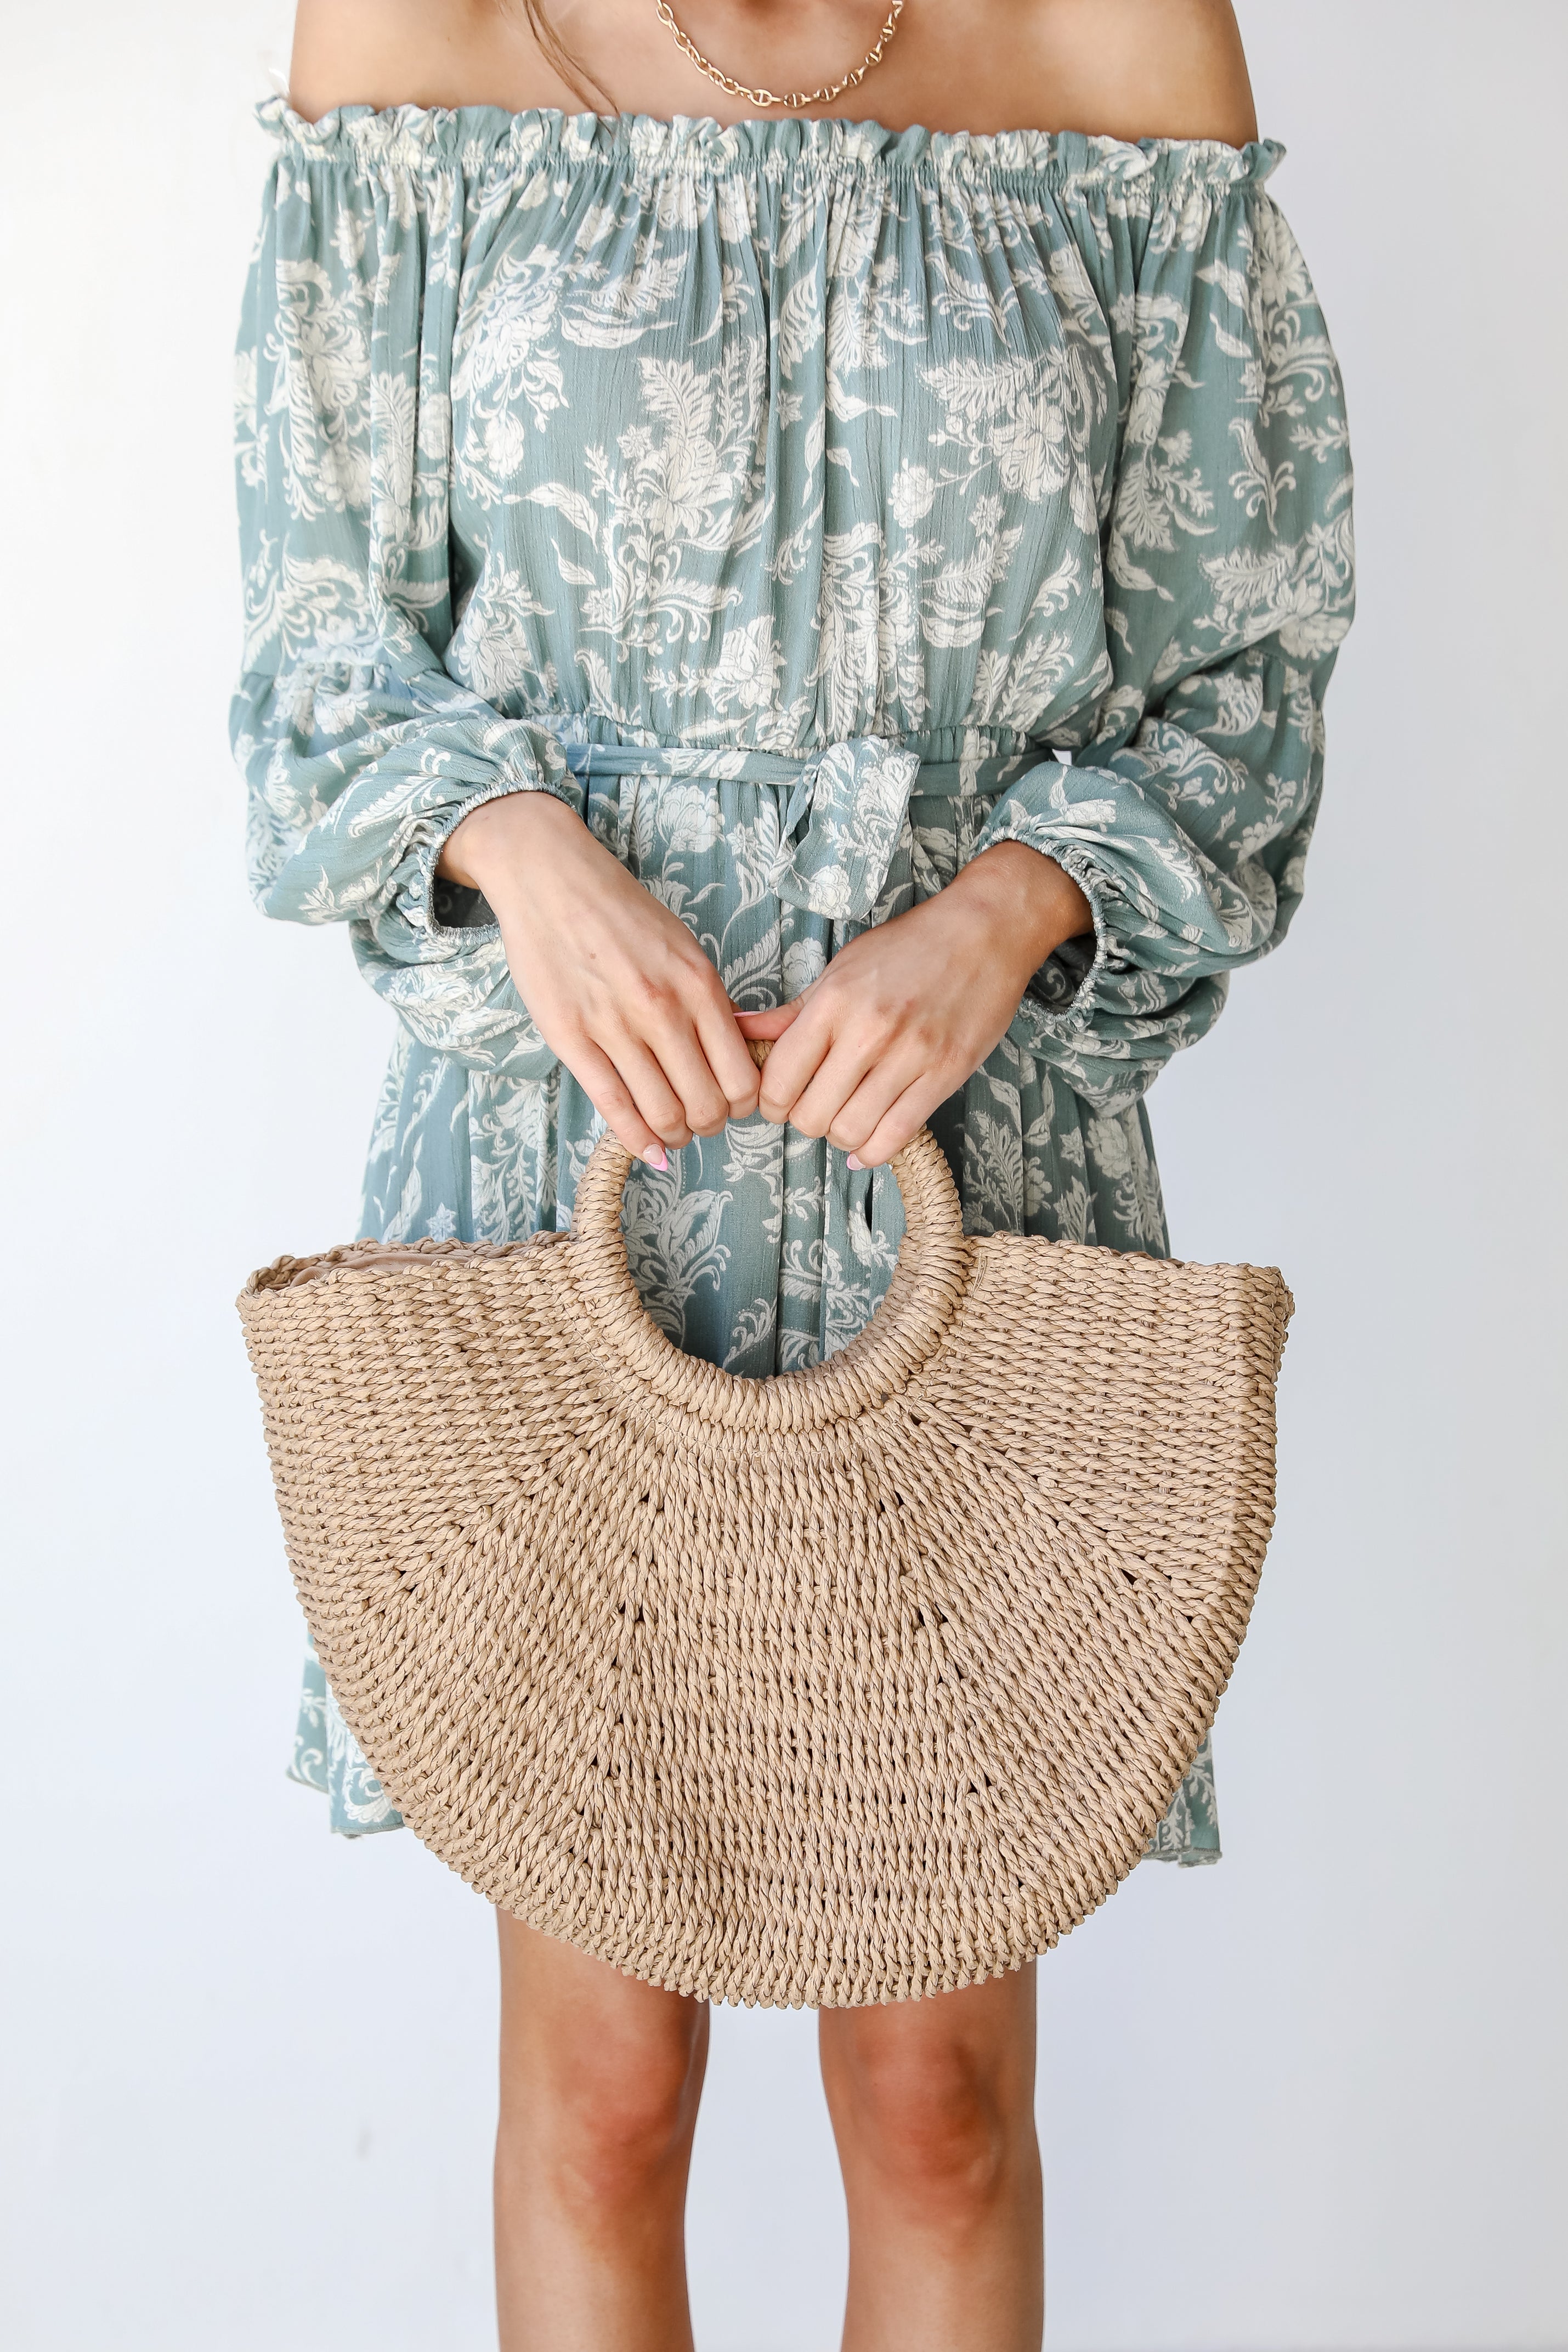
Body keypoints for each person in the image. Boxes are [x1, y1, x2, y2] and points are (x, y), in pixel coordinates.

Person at [231, 2, 1354, 2342]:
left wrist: (1009, 904)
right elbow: (321, 640)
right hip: (566, 1155)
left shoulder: (1123, 41)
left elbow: (1243, 669)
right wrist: (513, 845)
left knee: (937, 2084)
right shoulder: (416, 30)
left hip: (976, 1152)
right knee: (605, 2076)